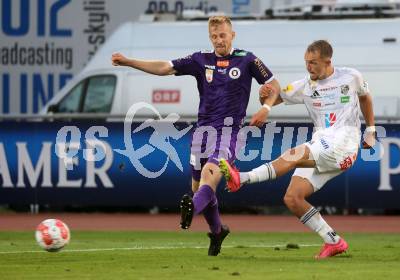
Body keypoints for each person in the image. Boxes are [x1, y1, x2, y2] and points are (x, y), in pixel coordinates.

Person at [111, 16, 280, 256]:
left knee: (210, 176)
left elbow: (274, 86)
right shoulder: (201, 60)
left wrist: (266, 107)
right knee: (198, 186)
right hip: (203, 132)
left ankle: (191, 209)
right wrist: (129, 62)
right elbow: (165, 67)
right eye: (214, 36)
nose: (219, 40)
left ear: (232, 35)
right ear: (210, 38)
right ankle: (217, 230)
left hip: (229, 132)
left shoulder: (248, 59)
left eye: (223, 35)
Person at [219, 40, 376, 259]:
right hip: (323, 142)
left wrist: (370, 129)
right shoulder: (304, 86)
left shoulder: (351, 77)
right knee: (293, 198)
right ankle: (333, 241)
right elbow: (275, 97)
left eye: (313, 63)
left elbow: (365, 97)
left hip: (344, 143)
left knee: (293, 155)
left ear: (327, 61)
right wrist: (264, 98)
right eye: (306, 62)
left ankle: (242, 178)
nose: (308, 67)